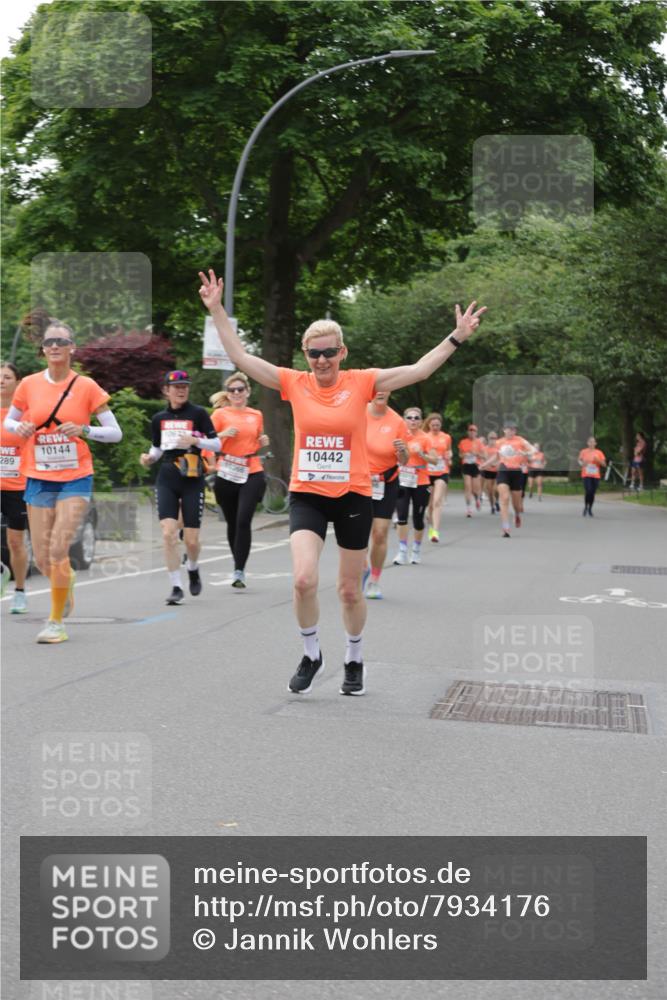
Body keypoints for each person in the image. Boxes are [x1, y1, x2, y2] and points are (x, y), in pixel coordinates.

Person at [198, 267, 485, 696]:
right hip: (308, 494)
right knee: (302, 580)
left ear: (342, 352)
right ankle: (312, 653)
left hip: (353, 493)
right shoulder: (293, 383)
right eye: (314, 354)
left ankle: (354, 658)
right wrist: (217, 308)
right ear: (305, 354)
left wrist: (457, 335)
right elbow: (240, 357)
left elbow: (420, 370)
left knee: (350, 590)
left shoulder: (363, 382)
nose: (322, 361)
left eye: (329, 352)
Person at [3, 322, 122, 643]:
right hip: (38, 476)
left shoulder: (87, 387)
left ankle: (55, 622)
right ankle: (64, 580)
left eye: (61, 341)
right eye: (49, 342)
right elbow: (11, 420)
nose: (54, 346)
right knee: (42, 557)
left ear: (72, 347)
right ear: (43, 349)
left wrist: (86, 431)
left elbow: (115, 432)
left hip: (75, 477)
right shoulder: (28, 384)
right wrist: (21, 429)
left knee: (58, 548)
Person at [140, 370, 221, 604]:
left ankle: (193, 568)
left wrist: (197, 441)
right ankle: (176, 586)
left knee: (192, 541)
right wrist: (148, 458)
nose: (181, 390)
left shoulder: (198, 413)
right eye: (176, 387)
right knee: (168, 534)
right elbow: (157, 448)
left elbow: (217, 443)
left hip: (192, 477)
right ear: (166, 390)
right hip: (167, 476)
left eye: (185, 386)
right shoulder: (159, 418)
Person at [210, 371, 269, 589]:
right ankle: (238, 563)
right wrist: (222, 435)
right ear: (228, 393)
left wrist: (262, 441)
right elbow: (205, 440)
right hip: (226, 470)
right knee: (233, 522)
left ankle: (239, 570)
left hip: (251, 469)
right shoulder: (219, 415)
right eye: (232, 390)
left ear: (247, 392)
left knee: (244, 520)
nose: (236, 393)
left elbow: (256, 439)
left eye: (240, 390)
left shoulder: (256, 414)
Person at [363, 390, 408, 600]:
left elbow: (405, 460)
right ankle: (360, 568)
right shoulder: (357, 412)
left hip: (386, 482)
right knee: (357, 533)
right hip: (358, 481)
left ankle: (374, 580)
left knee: (379, 533)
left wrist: (402, 451)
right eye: (376, 388)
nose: (380, 391)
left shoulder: (397, 421)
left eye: (385, 387)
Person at [392, 407, 438, 566]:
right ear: (404, 419)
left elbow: (435, 460)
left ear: (420, 420)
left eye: (416, 418)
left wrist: (421, 455)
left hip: (421, 481)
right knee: (402, 517)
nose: (413, 420)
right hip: (403, 480)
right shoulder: (399, 435)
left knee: (418, 519)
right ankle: (402, 550)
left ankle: (416, 550)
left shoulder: (426, 438)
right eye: (410, 417)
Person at [0, 362, 29, 612]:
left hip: (17, 486)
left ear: (18, 383)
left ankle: (19, 591)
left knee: (16, 542)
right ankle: (1, 570)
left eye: (7, 377)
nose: (1, 381)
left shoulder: (25, 414)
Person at [480, 418, 535, 538]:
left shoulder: (520, 440)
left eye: (513, 429)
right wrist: (485, 464)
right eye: (509, 429)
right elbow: (496, 457)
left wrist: (525, 453)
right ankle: (506, 527)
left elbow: (533, 450)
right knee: (504, 498)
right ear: (504, 430)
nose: (511, 431)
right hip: (503, 471)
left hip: (517, 472)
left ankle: (516, 515)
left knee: (517, 504)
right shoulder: (499, 442)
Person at [422, 412, 452, 543]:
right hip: (427, 473)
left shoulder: (446, 437)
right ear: (428, 424)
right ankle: (430, 524)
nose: (435, 427)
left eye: (438, 425)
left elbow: (449, 450)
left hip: (441, 472)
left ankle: (435, 531)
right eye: (433, 425)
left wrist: (449, 456)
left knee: (437, 501)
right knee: (429, 505)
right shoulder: (424, 437)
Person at [458, 424, 483, 516]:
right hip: (466, 465)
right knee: (468, 486)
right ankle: (468, 509)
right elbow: (460, 455)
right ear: (468, 432)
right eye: (470, 430)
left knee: (475, 489)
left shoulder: (479, 443)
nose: (472, 432)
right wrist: (465, 455)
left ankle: (477, 499)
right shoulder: (463, 442)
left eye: (474, 430)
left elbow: (484, 456)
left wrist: (476, 454)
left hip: (476, 466)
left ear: (476, 433)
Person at [578, 436, 606, 516]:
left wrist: (598, 461)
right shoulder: (583, 452)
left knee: (592, 493)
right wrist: (583, 464)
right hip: (586, 474)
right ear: (587, 443)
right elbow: (579, 461)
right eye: (590, 442)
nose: (591, 443)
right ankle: (586, 506)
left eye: (593, 442)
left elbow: (604, 464)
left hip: (595, 475)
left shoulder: (599, 452)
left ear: (595, 443)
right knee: (588, 491)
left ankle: (590, 508)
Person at [481, 430, 500, 513]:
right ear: (488, 439)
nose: (493, 440)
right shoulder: (485, 448)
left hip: (497, 471)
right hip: (488, 471)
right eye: (491, 438)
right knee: (490, 490)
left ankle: (497, 501)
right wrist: (489, 463)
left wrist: (496, 463)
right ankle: (492, 506)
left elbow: (502, 458)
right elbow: (485, 458)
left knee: (496, 489)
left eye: (494, 438)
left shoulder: (499, 448)